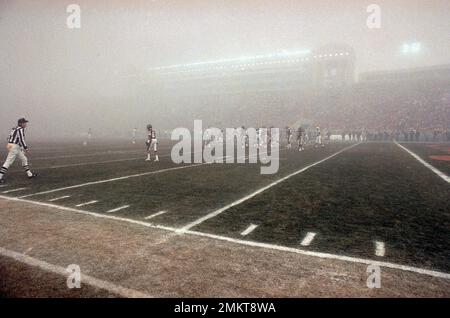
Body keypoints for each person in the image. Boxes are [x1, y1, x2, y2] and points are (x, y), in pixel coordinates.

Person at [0, 118, 38, 184]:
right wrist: (26, 148)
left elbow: (8, 137)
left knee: (24, 159)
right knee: (8, 162)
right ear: (20, 123)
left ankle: (29, 174)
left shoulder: (14, 128)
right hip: (14, 146)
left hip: (11, 145)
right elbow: (21, 140)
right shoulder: (20, 129)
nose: (26, 124)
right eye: (24, 123)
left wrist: (17, 146)